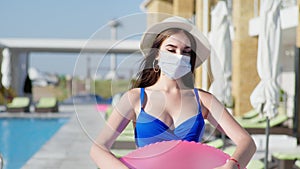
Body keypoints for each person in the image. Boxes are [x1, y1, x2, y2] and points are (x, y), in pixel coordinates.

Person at [90, 16, 256, 169]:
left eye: (186, 51)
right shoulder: (136, 98)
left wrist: (233, 165)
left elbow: (247, 142)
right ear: (156, 55)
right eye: (171, 49)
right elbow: (98, 148)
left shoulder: (204, 100)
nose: (179, 56)